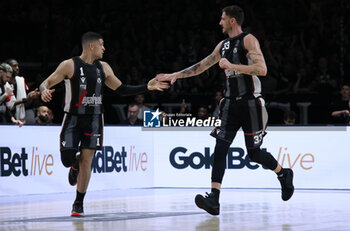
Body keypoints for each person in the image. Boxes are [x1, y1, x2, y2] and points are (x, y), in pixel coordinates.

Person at [156, 5, 294, 215]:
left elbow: (262, 69)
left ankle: (283, 173)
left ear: (232, 20)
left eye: (222, 19)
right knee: (220, 148)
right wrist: (176, 74)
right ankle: (214, 199)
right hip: (229, 103)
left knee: (254, 153)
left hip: (250, 103)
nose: (219, 22)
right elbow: (202, 66)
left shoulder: (248, 40)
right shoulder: (223, 45)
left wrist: (232, 65)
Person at [39, 32, 168, 217]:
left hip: (94, 119)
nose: (104, 48)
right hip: (72, 118)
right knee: (67, 159)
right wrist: (44, 91)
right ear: (91, 46)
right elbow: (46, 82)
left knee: (87, 160)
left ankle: (78, 203)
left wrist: (146, 87)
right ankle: (73, 166)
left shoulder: (104, 67)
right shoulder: (69, 65)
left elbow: (122, 89)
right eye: (102, 45)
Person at [5, 59, 40, 123]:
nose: (17, 68)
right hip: (5, 116)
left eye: (17, 66)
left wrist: (30, 97)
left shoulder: (21, 80)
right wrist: (26, 99)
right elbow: (7, 103)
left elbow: (26, 104)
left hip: (18, 116)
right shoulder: (2, 82)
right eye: (14, 66)